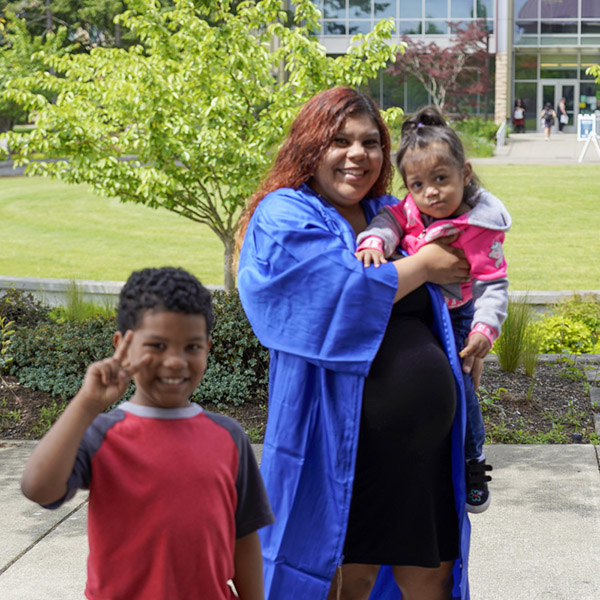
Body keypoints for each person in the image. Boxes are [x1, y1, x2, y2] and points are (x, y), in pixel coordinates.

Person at [237, 87, 476, 600]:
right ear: (310, 147)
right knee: (346, 578)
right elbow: (328, 294)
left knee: (431, 574)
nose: (358, 155)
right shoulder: (284, 214)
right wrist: (422, 266)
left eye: (370, 142)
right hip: (338, 443)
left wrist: (471, 339)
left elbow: (468, 252)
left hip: (424, 450)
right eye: (339, 141)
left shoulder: (394, 212)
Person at [20, 266, 274, 600]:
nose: (174, 361)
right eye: (157, 345)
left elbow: (244, 537)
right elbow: (38, 487)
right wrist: (86, 403)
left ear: (208, 347)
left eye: (192, 347)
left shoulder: (229, 436)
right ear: (121, 344)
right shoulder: (101, 433)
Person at [355, 106, 511, 513]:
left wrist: (484, 329)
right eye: (419, 184)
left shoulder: (479, 227)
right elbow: (390, 220)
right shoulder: (410, 207)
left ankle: (473, 458)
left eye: (442, 180)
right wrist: (374, 241)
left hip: (458, 311)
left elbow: (493, 284)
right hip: (416, 307)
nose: (431, 194)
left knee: (461, 386)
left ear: (466, 174)